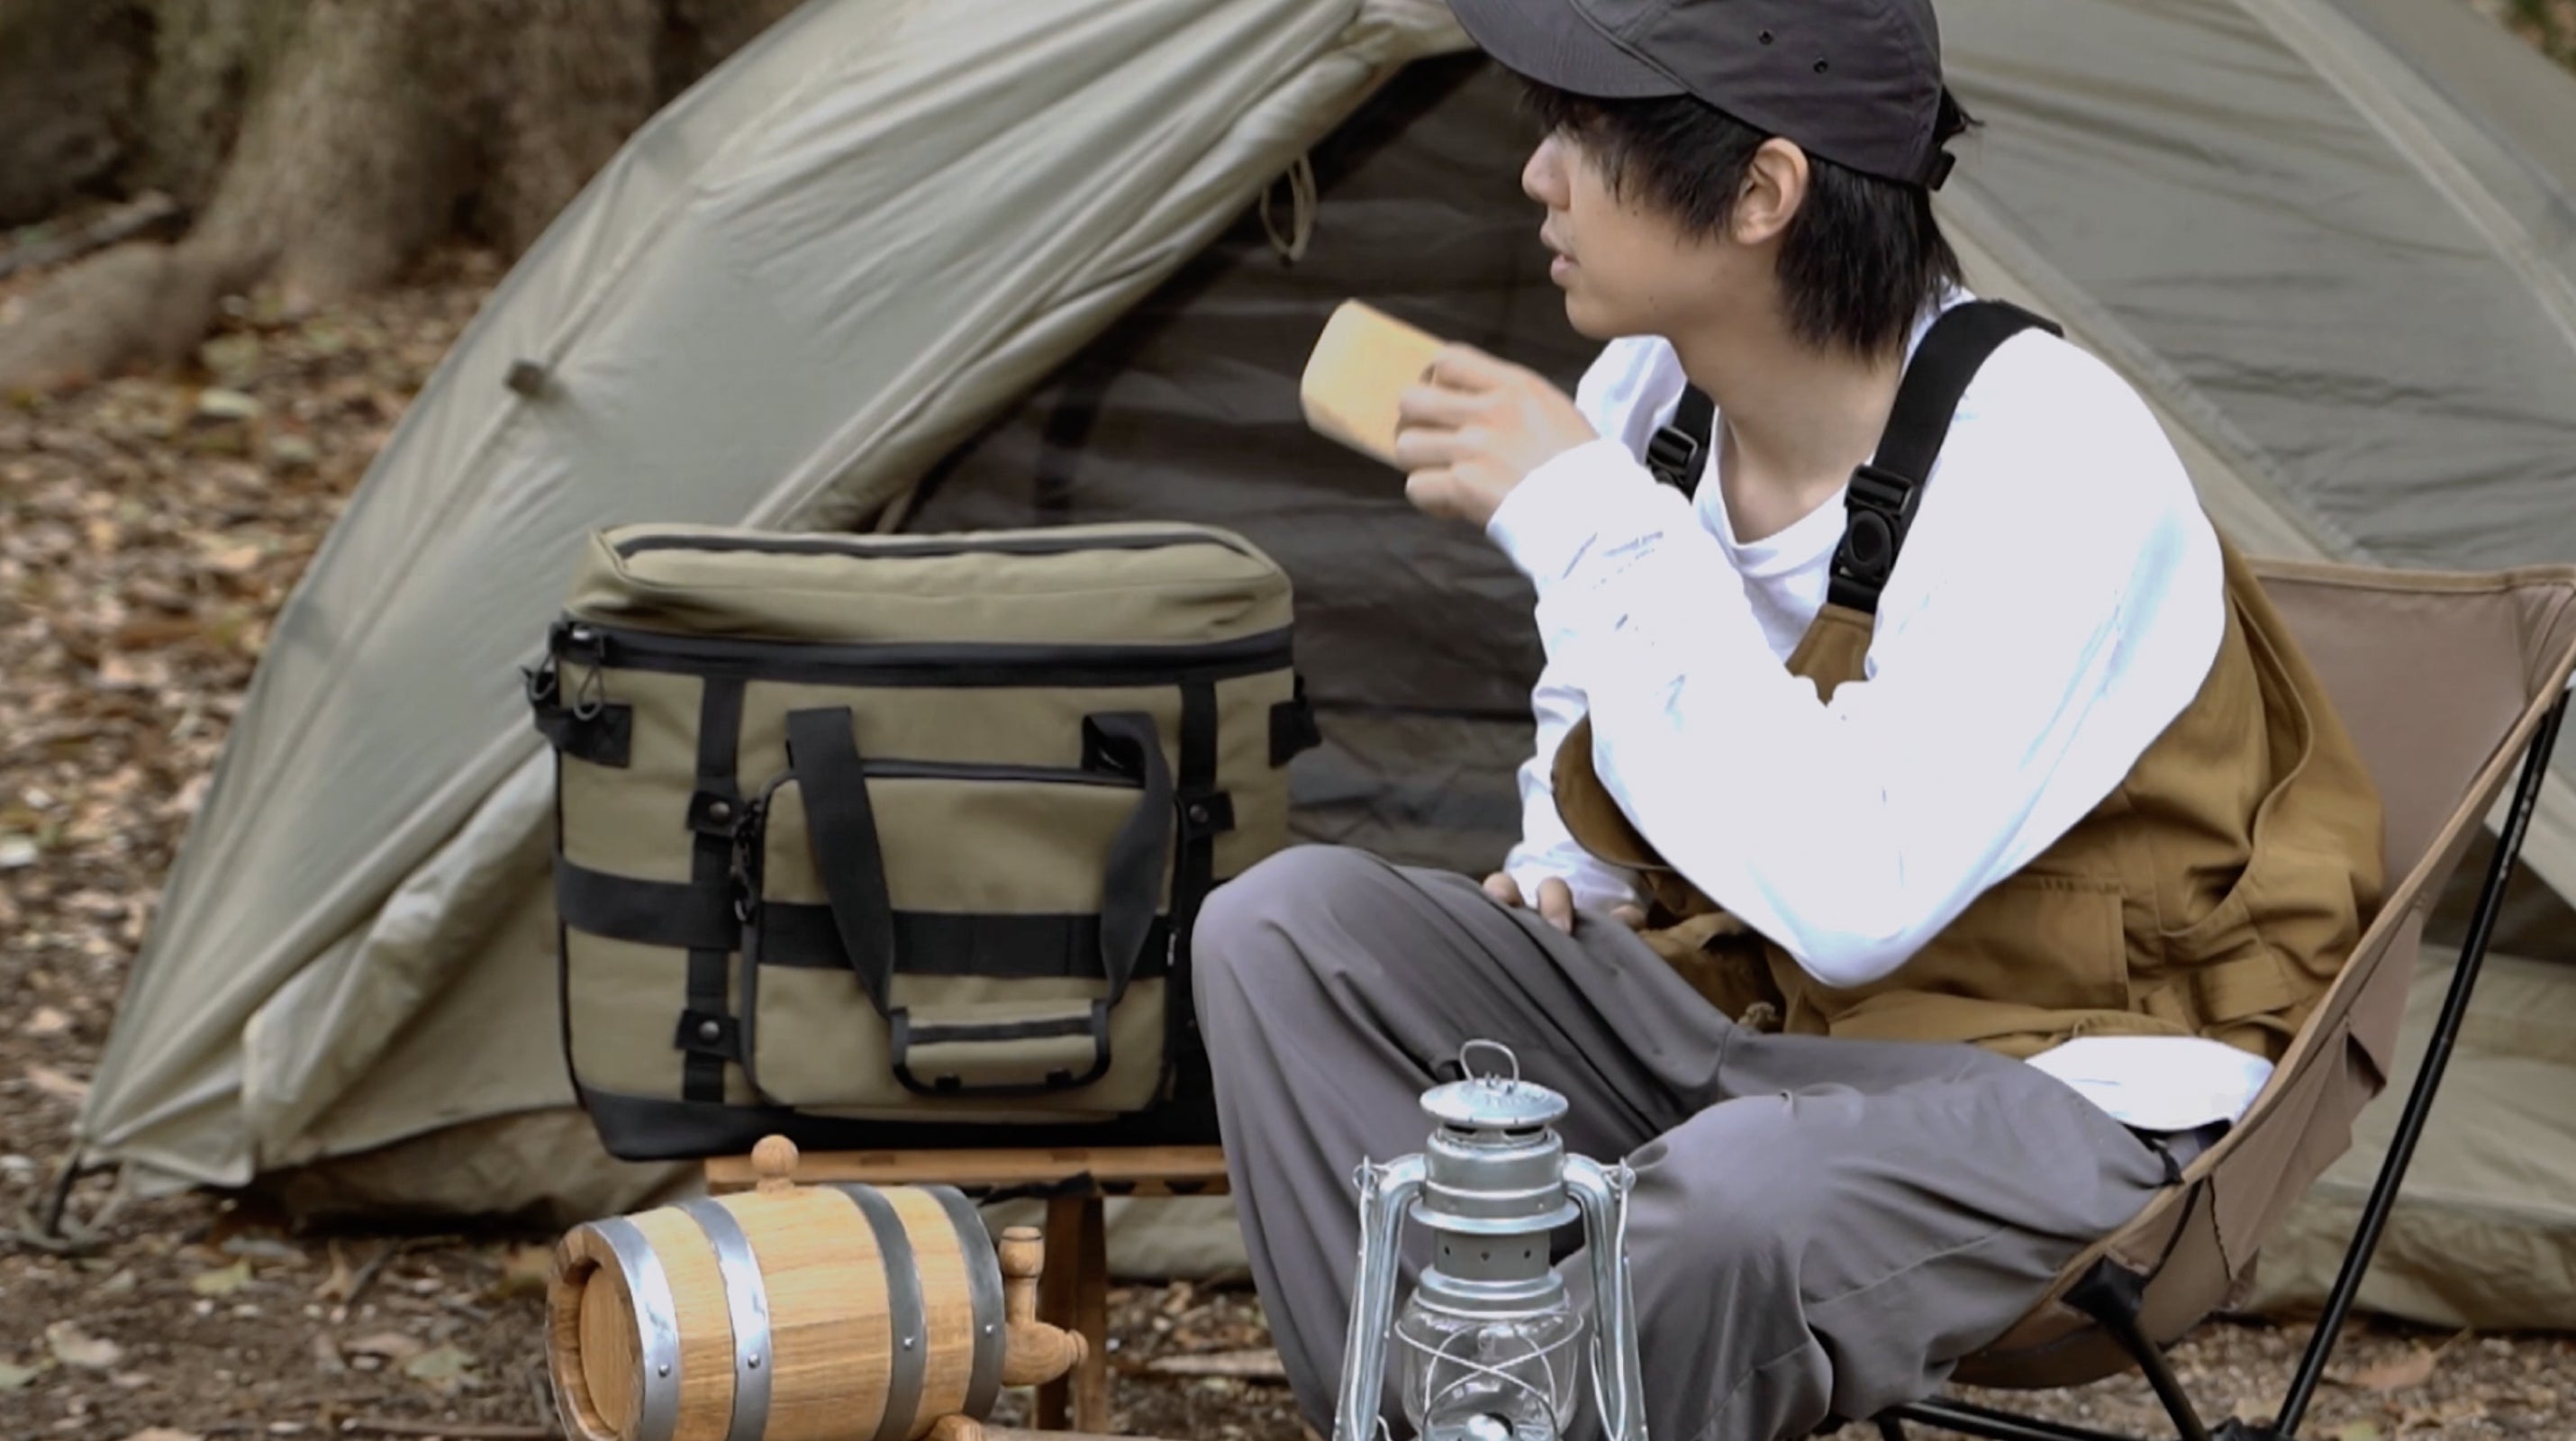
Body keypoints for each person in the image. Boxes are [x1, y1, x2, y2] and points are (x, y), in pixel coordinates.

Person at [1191, 0, 2389, 1438]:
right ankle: (1428, 1420)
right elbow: (1588, 696)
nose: (1538, 177)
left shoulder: (2051, 459)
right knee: (1284, 931)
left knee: (1738, 1194)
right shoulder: (1650, 394)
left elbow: (1858, 900)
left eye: (1588, 137)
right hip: (1743, 1028)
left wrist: (1587, 521)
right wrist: (1568, 870)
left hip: (2053, 1080)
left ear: (1764, 191)